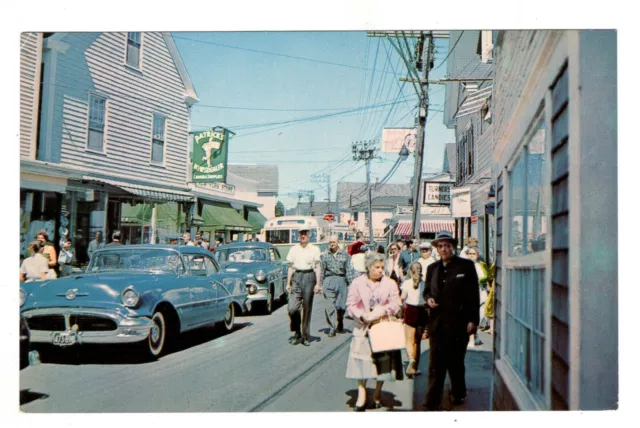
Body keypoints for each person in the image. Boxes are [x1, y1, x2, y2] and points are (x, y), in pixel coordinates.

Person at [423, 230, 480, 410]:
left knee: (456, 363)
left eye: (447, 245)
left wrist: (473, 320)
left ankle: (458, 393)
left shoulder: (465, 266)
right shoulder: (432, 268)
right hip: (437, 325)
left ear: (452, 247)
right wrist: (428, 299)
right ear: (437, 249)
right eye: (440, 246)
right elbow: (426, 291)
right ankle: (433, 400)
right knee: (435, 365)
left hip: (459, 324)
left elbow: (473, 295)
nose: (444, 249)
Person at [345, 252, 404, 411]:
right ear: (368, 267)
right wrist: (361, 315)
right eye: (376, 267)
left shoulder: (390, 283)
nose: (380, 270)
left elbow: (396, 303)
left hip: (382, 327)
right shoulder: (357, 283)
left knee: (383, 363)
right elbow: (350, 305)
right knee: (362, 363)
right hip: (363, 327)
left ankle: (377, 392)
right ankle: (362, 393)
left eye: (382, 267)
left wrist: (382, 311)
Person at [286, 228, 322, 347]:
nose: (303, 236)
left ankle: (305, 335)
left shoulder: (314, 249)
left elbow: (317, 267)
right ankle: (297, 331)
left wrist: (318, 284)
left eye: (305, 233)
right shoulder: (293, 249)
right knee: (292, 308)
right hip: (297, 276)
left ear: (309, 235)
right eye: (301, 233)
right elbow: (290, 267)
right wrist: (288, 283)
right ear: (298, 235)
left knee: (307, 307)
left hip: (309, 276)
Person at [320, 235, 356, 337]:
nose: (332, 244)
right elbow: (322, 270)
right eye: (330, 242)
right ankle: (332, 328)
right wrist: (320, 285)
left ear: (338, 242)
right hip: (329, 279)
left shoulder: (345, 255)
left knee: (341, 305)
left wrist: (351, 284)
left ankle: (340, 319)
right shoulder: (325, 255)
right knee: (329, 306)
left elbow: (348, 270)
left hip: (341, 280)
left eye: (334, 242)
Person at [401, 261, 428, 378]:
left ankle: (411, 360)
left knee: (408, 339)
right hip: (422, 311)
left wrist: (399, 311)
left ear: (410, 272)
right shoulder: (426, 284)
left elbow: (402, 298)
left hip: (410, 311)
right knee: (417, 340)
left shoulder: (406, 283)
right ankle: (415, 367)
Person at [466, 246, 489, 343]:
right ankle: (472, 338)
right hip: (468, 295)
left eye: (473, 254)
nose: (471, 256)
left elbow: (486, 276)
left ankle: (475, 336)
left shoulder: (481, 265)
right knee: (470, 318)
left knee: (479, 316)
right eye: (470, 254)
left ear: (477, 255)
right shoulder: (464, 265)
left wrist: (477, 280)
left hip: (480, 293)